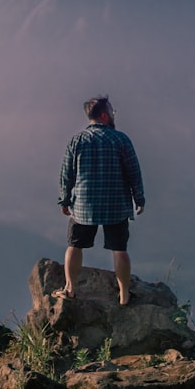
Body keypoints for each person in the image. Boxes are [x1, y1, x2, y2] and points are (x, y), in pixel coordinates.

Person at [57, 95, 146, 306]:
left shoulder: (77, 140)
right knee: (119, 249)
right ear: (105, 116)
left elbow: (66, 173)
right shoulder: (121, 140)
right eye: (113, 112)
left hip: (83, 206)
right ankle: (124, 295)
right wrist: (139, 198)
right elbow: (134, 172)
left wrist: (64, 200)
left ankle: (70, 289)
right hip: (116, 206)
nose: (114, 115)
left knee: (74, 246)